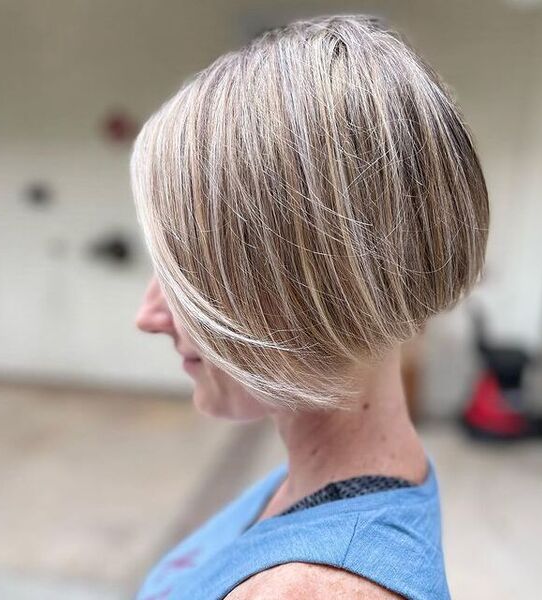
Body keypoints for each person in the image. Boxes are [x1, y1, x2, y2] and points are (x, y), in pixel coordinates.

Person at [132, 13, 489, 600]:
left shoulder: (311, 590)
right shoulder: (343, 482)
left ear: (296, 284)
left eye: (181, 275)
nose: (148, 316)